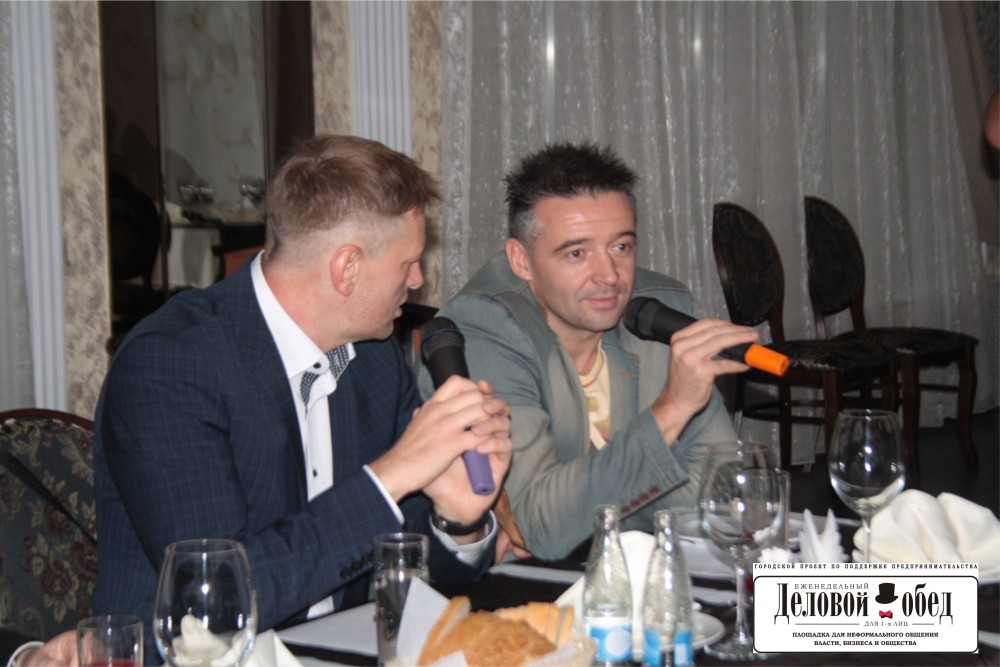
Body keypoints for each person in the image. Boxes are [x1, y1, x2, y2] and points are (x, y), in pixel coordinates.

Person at [90, 134, 513, 662]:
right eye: (408, 262)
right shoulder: (170, 365)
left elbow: (415, 581)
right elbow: (215, 606)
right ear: (346, 268)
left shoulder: (374, 360)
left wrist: (457, 521)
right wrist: (392, 475)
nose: (418, 279)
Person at [419, 143, 756, 560]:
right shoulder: (485, 328)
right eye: (577, 253)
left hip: (641, 569)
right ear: (521, 260)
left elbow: (722, 492)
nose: (609, 276)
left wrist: (580, 520)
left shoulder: (662, 308)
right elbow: (541, 523)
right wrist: (673, 408)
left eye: (621, 247)